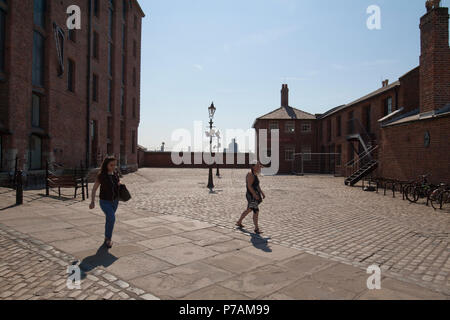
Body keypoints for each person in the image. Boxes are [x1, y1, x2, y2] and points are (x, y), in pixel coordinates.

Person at [89, 156, 121, 248]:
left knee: (109, 220)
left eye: (115, 165)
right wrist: (92, 202)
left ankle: (107, 237)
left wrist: (120, 184)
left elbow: (118, 182)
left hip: (115, 201)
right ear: (106, 164)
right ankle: (108, 239)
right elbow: (94, 189)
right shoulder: (101, 176)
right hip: (104, 202)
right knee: (111, 218)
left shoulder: (115, 174)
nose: (113, 167)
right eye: (111, 165)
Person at [236, 161, 266, 234]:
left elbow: (257, 185)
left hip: (254, 195)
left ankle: (239, 222)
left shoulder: (255, 173)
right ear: (252, 167)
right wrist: (254, 195)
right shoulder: (250, 174)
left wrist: (261, 192)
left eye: (259, 166)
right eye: (257, 166)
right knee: (256, 211)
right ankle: (256, 229)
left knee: (249, 209)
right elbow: (249, 186)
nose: (259, 167)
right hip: (251, 195)